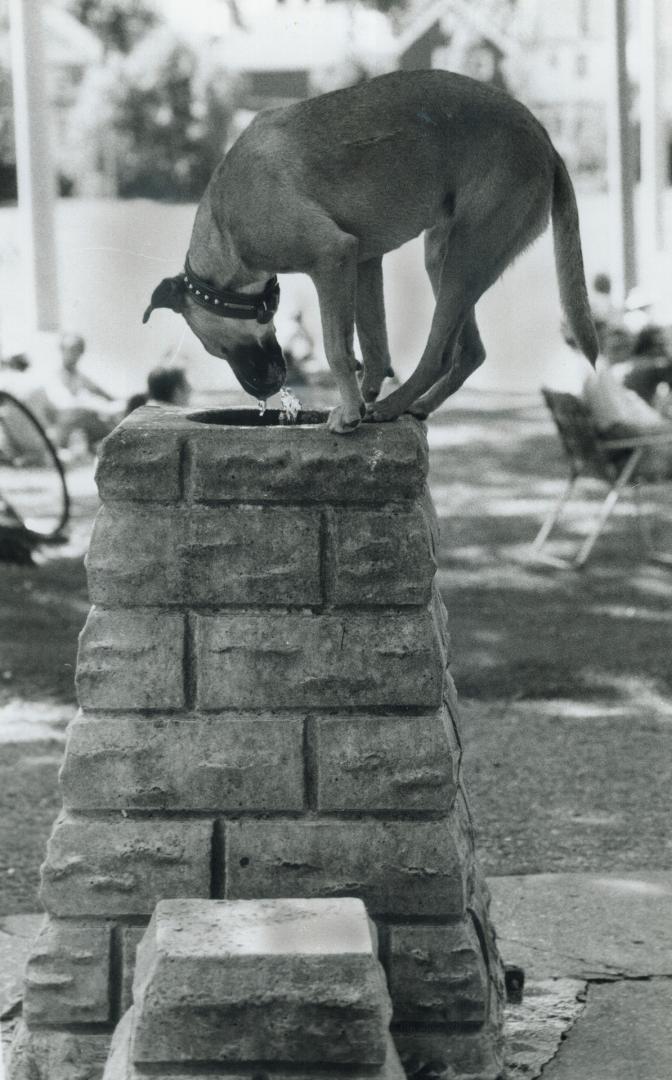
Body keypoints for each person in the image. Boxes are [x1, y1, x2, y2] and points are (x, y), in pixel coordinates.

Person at [125, 366, 191, 415]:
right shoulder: (175, 421)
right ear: (177, 392)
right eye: (186, 386)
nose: (190, 389)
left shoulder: (144, 414)